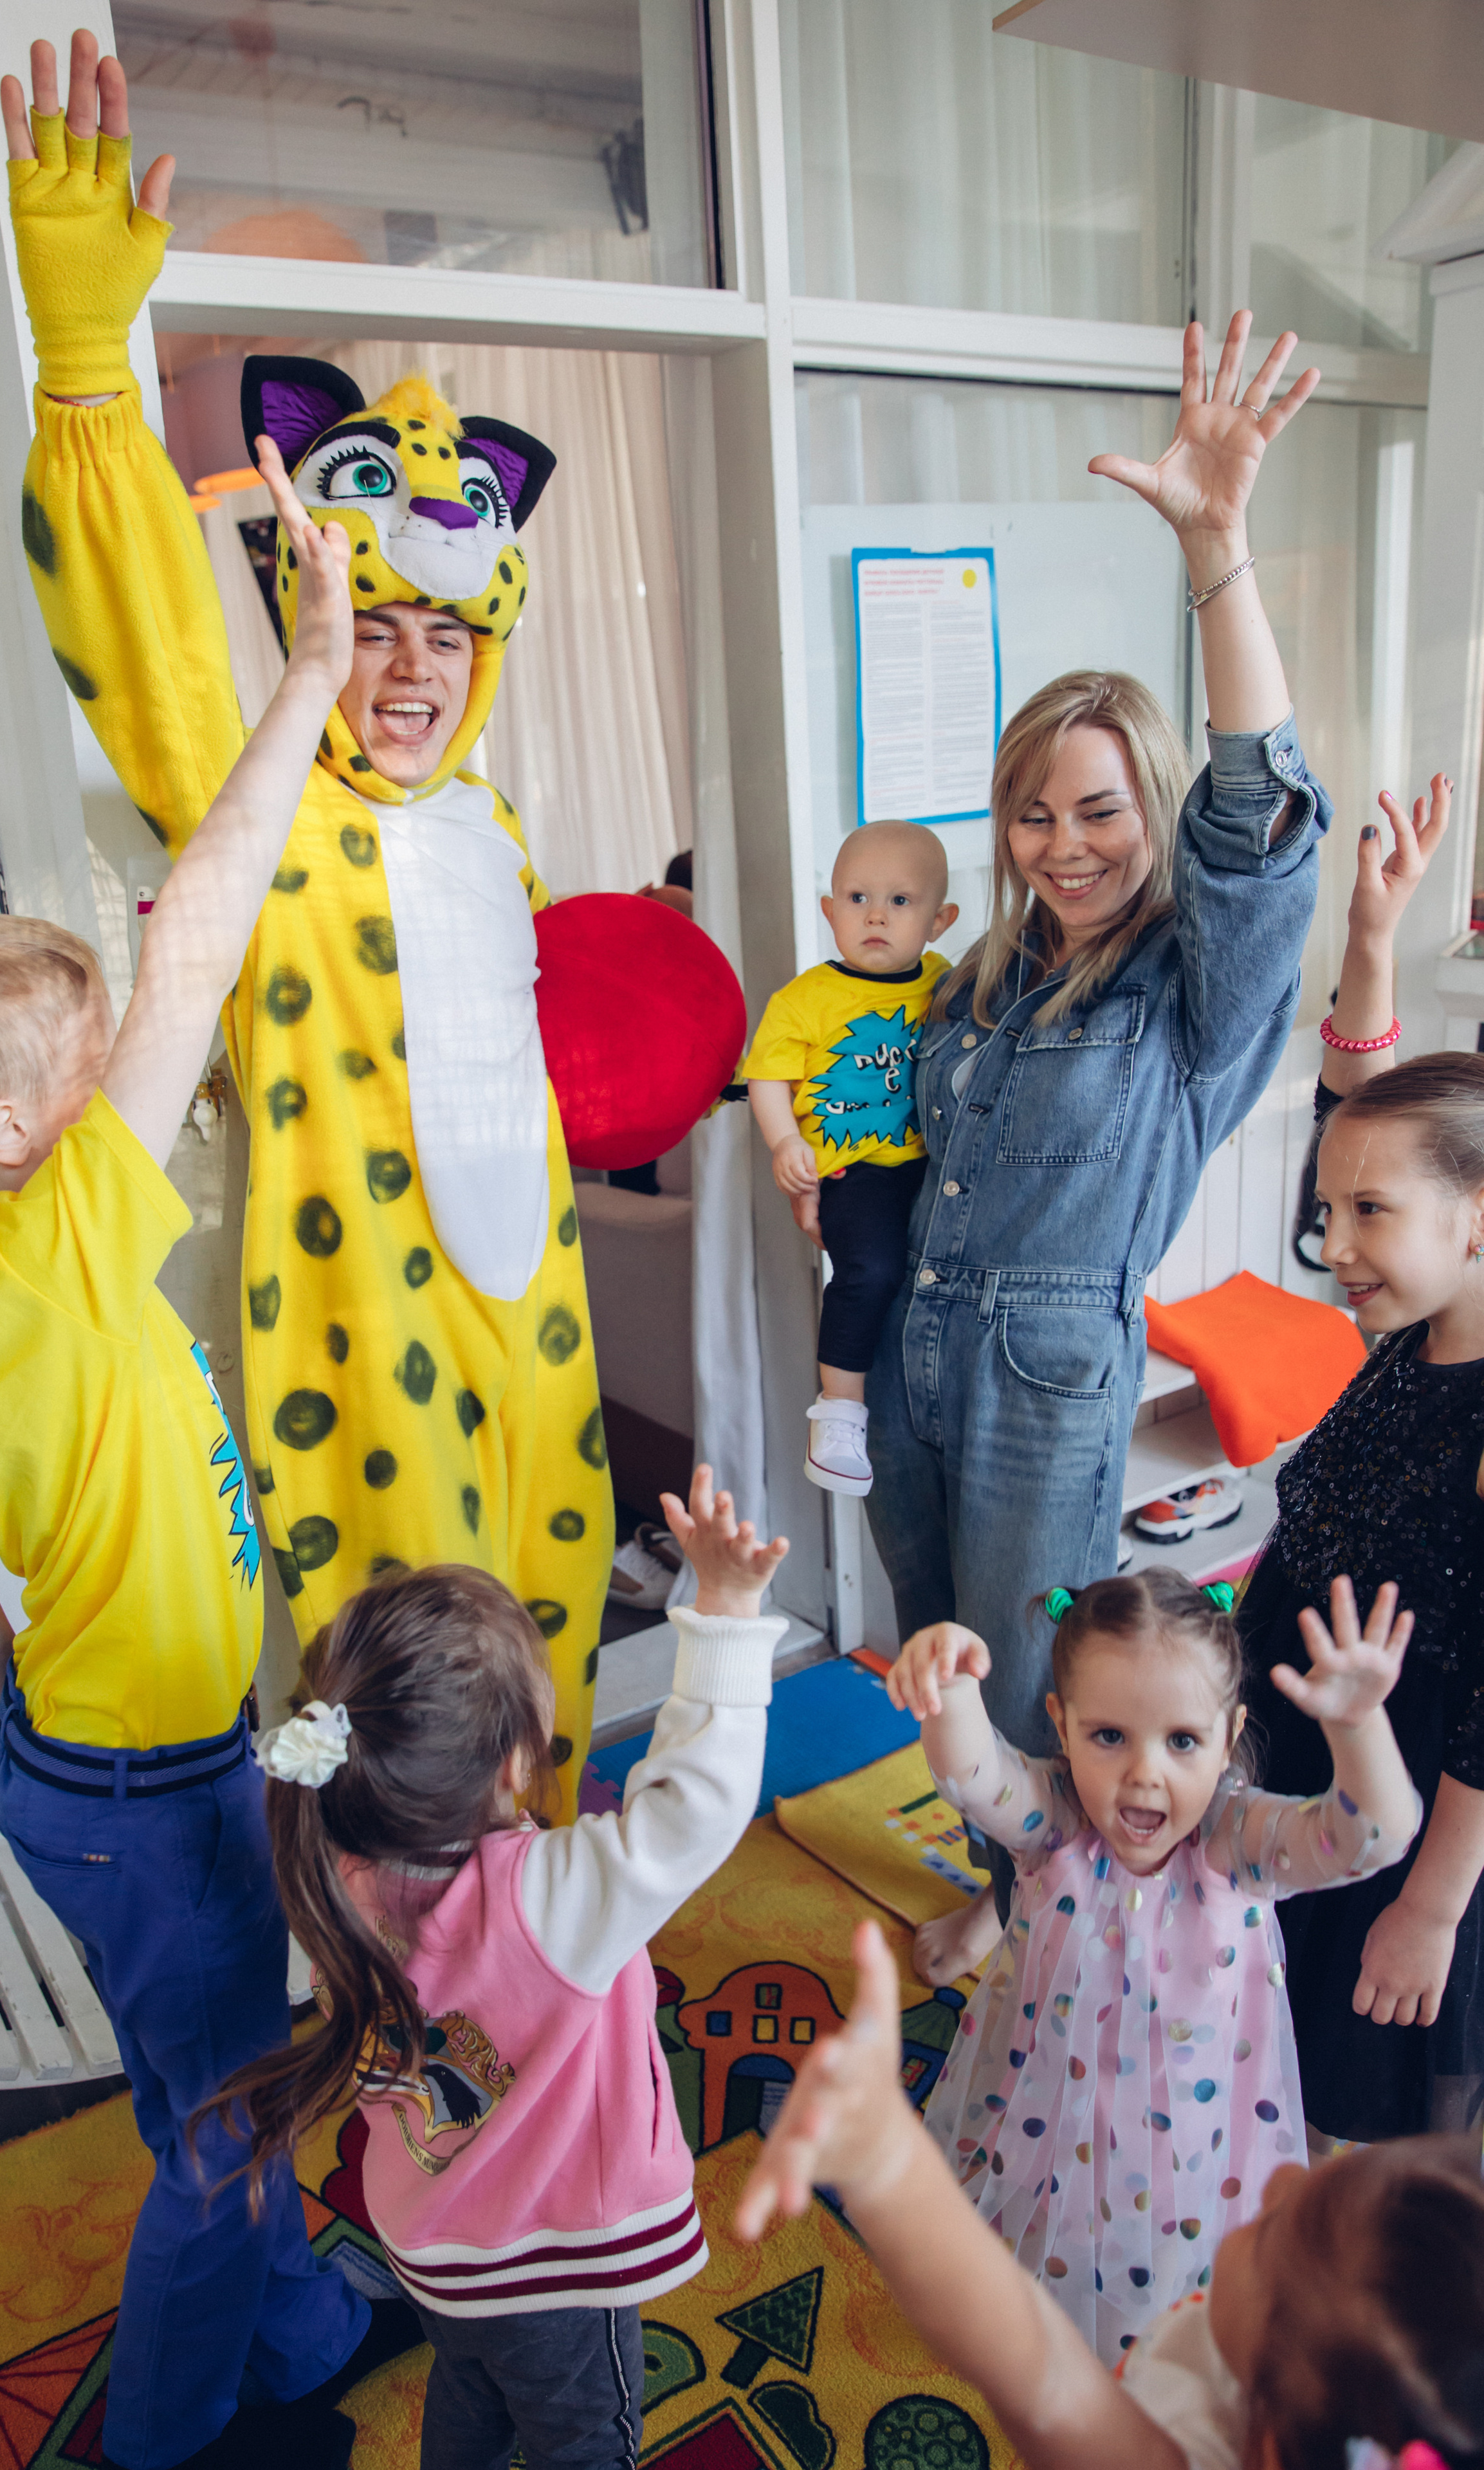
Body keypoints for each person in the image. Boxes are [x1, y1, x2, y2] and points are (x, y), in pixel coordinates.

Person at [0, 32, 704, 1810]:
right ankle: (365, 1951)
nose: (407, 670)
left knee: (536, 1623)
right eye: (372, 625)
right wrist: (90, 371)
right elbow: (151, 649)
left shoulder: (492, 820)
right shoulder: (259, 801)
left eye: (444, 636)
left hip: (529, 1304)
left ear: (488, 657)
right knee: (374, 1668)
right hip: (345, 1322)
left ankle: (532, 1889)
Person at [0, 452, 405, 2467]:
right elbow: (204, 932)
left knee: (222, 2041)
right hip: (153, 1793)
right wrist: (309, 667)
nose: (122, 1102)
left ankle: (309, 2307)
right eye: (84, 1086)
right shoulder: (72, 1227)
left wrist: (42, 1723)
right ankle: (172, 2432)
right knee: (228, 2117)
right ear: (11, 1138)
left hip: (98, 1770)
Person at [866, 315, 1329, 1988]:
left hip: (1053, 1368)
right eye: (1034, 813)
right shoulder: (982, 980)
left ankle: (1031, 1913)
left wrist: (1216, 551)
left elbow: (1258, 823)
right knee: (941, 1655)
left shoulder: (1190, 995)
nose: (1063, 846)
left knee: (1035, 1685)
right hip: (921, 1348)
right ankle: (1012, 1870)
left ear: (1151, 810)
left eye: (1101, 810)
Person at [197, 1466, 788, 2470]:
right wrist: (726, 1615)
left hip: (430, 2236)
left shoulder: (327, 1861)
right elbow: (693, 1809)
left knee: (469, 2390)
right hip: (552, 2264)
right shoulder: (551, 1902)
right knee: (582, 2441)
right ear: (517, 1763)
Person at [886, 1569, 1419, 2362]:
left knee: (1162, 2273)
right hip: (1044, 2097)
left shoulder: (1237, 1844)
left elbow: (1374, 1836)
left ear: (1228, 1735)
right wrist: (951, 1688)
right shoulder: (1056, 1821)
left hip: (1190, 2141)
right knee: (1028, 2241)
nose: (1145, 1773)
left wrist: (1359, 1726)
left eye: (1181, 1742)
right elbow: (971, 1775)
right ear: (1060, 1728)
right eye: (1109, 1737)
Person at [735, 1917, 1484, 2470]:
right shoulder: (1316, 2395)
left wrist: (884, 2160)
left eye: (1278, 2224)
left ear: (1267, 2438)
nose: (1281, 2175)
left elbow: (1036, 2366)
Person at [1236, 773, 1484, 2145]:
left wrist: (1430, 1906)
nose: (1327, 1244)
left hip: (1408, 1831)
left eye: (1364, 1216)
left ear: (1476, 1219)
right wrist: (1372, 932)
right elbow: (1367, 1117)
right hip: (1308, 1774)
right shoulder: (1411, 1326)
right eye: (1326, 1209)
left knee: (1354, 2119)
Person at [746, 821, 958, 1496]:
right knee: (866, 1271)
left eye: (901, 901)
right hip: (852, 1171)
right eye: (857, 897)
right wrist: (786, 1142)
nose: (875, 914)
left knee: (936, 1281)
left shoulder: (945, 984)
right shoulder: (804, 1000)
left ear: (939, 919)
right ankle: (837, 1412)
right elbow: (768, 1078)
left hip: (934, 1164)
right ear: (829, 909)